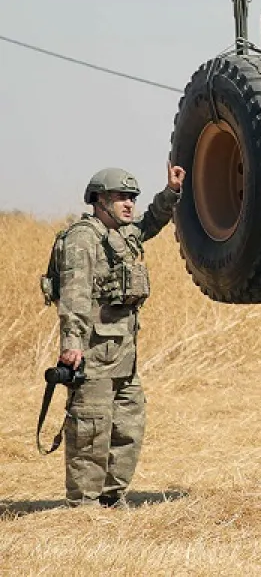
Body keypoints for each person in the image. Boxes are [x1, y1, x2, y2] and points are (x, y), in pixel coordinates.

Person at [56, 163, 184, 507]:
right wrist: (71, 343)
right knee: (91, 430)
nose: (129, 204)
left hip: (124, 356)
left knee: (128, 426)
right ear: (98, 200)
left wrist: (171, 192)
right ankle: (84, 506)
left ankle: (112, 498)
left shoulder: (123, 235)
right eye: (120, 198)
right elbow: (74, 295)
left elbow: (151, 223)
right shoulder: (83, 238)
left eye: (132, 198)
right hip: (93, 354)